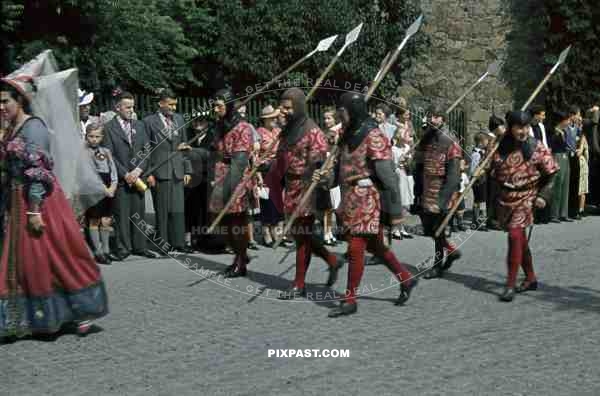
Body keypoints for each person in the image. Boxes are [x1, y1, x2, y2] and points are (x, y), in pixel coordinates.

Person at [0, 77, 108, 339]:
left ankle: (85, 309)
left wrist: (34, 210)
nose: (0, 107)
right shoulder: (12, 128)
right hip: (18, 200)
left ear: (20, 101)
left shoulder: (34, 127)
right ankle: (29, 317)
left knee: (57, 255)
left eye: (5, 102)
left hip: (40, 201)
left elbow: (39, 171)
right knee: (29, 260)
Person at [327, 92, 417, 317]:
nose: (342, 116)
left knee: (356, 246)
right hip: (350, 197)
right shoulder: (347, 134)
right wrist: (325, 177)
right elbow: (340, 167)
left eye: (344, 112)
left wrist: (395, 212)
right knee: (376, 246)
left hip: (368, 198)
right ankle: (405, 278)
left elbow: (388, 176)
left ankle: (350, 299)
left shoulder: (373, 135)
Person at [264, 88, 342, 299]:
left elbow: (320, 165)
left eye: (288, 108)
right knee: (303, 236)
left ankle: (299, 283)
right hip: (290, 187)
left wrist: (315, 176)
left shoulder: (313, 132)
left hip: (307, 188)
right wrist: (269, 168)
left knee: (300, 237)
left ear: (298, 107)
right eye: (283, 107)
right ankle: (332, 260)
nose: (284, 111)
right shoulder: (287, 129)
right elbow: (282, 158)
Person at [181, 89, 253, 277]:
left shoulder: (242, 127)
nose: (216, 109)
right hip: (219, 175)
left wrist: (226, 188)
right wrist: (193, 151)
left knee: (235, 221)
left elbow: (239, 161)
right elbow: (213, 154)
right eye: (214, 105)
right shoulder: (220, 125)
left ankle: (240, 260)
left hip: (235, 178)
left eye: (220, 105)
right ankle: (240, 255)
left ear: (229, 105)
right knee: (220, 220)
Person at [489, 111, 558, 301]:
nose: (524, 131)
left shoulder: (536, 147)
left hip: (527, 196)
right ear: (510, 128)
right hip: (505, 198)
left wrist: (543, 195)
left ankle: (510, 285)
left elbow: (552, 173)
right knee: (520, 240)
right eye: (519, 127)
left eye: (527, 127)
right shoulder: (499, 146)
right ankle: (530, 278)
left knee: (514, 235)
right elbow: (491, 171)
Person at [102, 91, 154, 259]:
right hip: (121, 179)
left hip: (138, 177)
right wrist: (125, 174)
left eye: (132, 107)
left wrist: (139, 170)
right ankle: (123, 248)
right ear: (117, 107)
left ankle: (140, 246)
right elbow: (109, 154)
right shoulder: (109, 128)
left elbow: (147, 150)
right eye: (127, 107)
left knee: (139, 213)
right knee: (122, 215)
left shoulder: (140, 125)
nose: (131, 110)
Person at [414, 105, 462, 279]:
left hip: (442, 191)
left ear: (443, 119)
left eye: (436, 117)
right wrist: (417, 192)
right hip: (427, 190)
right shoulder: (426, 138)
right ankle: (451, 251)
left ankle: (437, 266)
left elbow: (454, 175)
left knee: (438, 229)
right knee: (429, 229)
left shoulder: (450, 141)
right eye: (430, 116)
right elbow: (419, 165)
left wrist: (442, 201)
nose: (432, 119)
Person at [143, 89, 193, 255]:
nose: (173, 107)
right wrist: (148, 173)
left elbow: (185, 146)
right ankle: (163, 244)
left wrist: (187, 170)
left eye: (175, 104)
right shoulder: (149, 122)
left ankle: (179, 242)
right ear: (161, 103)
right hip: (159, 171)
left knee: (178, 209)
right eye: (170, 104)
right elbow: (146, 150)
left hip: (177, 170)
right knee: (162, 210)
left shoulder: (179, 119)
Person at [85, 123, 118, 264]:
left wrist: (114, 185)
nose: (94, 139)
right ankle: (97, 251)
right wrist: (104, 189)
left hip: (109, 186)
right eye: (91, 136)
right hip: (94, 189)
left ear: (102, 137)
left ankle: (106, 250)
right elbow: (89, 173)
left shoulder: (106, 151)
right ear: (86, 136)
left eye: (97, 136)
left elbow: (113, 169)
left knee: (106, 220)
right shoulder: (84, 152)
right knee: (94, 220)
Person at [255, 105, 283, 247]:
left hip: (279, 169)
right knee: (267, 202)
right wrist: (258, 175)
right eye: (271, 118)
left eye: (274, 117)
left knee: (278, 202)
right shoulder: (259, 133)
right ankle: (266, 233)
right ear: (265, 120)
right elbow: (256, 156)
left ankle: (276, 232)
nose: (274, 120)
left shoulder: (279, 131)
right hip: (265, 169)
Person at [321, 107, 342, 245]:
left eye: (329, 118)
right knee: (326, 205)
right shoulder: (328, 133)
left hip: (335, 170)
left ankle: (329, 232)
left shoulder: (337, 132)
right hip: (327, 170)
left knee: (332, 205)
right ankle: (325, 233)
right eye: (325, 118)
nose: (326, 120)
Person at [549, 111, 574, 223]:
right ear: (562, 121)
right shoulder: (554, 132)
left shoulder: (565, 131)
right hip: (557, 156)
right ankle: (554, 214)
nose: (569, 122)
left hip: (565, 156)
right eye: (567, 120)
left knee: (565, 185)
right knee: (558, 184)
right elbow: (552, 146)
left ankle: (564, 212)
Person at [469, 132, 493, 231]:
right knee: (478, 201)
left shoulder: (482, 152)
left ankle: (478, 219)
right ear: (481, 142)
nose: (487, 143)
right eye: (486, 141)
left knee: (481, 200)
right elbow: (473, 170)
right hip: (478, 181)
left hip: (482, 179)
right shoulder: (476, 154)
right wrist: (481, 171)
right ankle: (475, 220)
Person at [451, 158, 469, 232]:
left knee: (461, 210)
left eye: (463, 164)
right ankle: (453, 225)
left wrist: (465, 194)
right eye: (460, 164)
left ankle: (460, 224)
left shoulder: (464, 175)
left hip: (461, 194)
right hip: (455, 194)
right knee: (453, 210)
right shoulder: (453, 173)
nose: (461, 166)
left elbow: (466, 184)